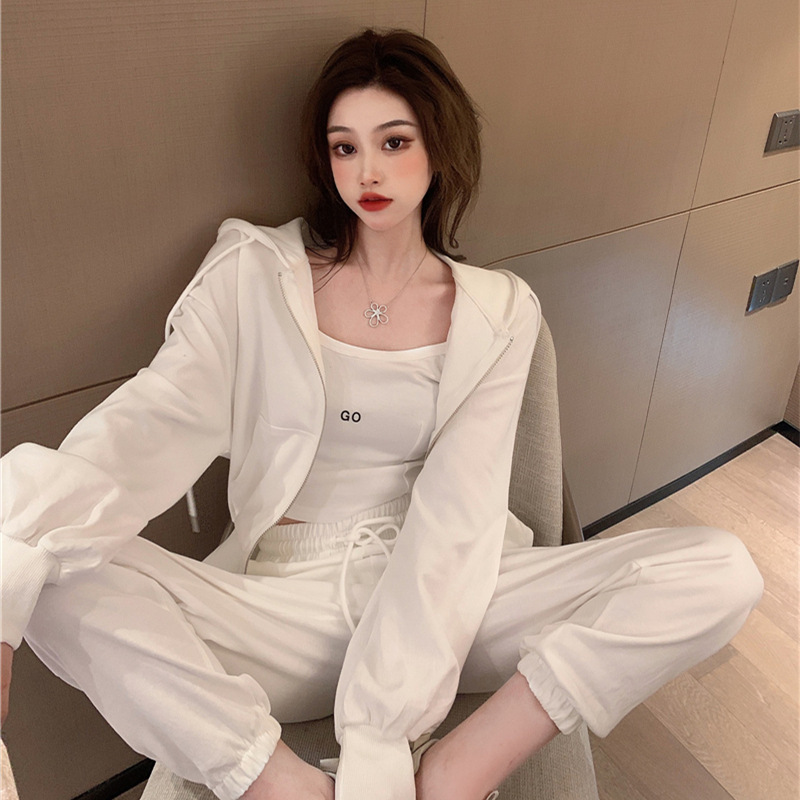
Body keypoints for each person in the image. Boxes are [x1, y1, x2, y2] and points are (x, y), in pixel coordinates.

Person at [0, 27, 763, 800]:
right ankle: (274, 781)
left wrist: (380, 731)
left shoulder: (500, 311)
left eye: (394, 142)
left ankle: (459, 769)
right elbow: (146, 427)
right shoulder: (254, 274)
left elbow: (459, 514)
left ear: (440, 147)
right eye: (345, 147)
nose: (366, 171)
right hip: (277, 608)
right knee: (40, 560)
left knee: (719, 571)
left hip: (454, 600)